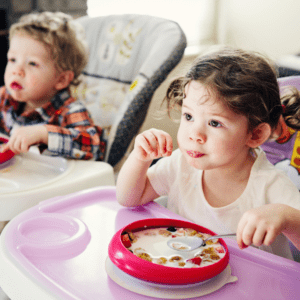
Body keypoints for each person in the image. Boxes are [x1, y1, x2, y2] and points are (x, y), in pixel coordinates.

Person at [117, 46, 300, 260]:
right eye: (188, 116)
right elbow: (129, 198)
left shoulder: (271, 185)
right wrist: (139, 158)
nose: (195, 134)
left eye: (214, 123)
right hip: (190, 280)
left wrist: (286, 217)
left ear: (255, 134)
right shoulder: (180, 165)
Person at [0, 11, 106, 160]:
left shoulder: (69, 111)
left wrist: (43, 134)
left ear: (61, 80)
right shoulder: (5, 98)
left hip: (56, 178)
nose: (17, 71)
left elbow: (93, 146)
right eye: (12, 59)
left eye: (32, 63)